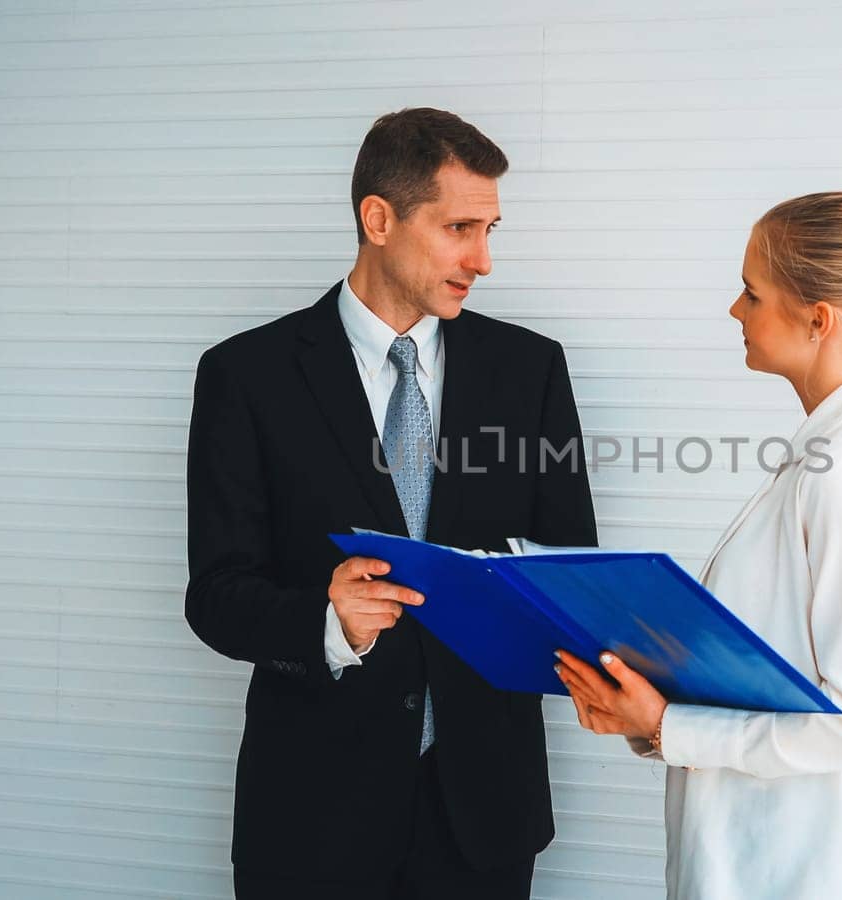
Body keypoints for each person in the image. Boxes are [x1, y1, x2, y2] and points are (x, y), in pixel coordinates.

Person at [186, 107, 597, 899]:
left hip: (484, 817)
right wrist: (326, 622)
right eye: (459, 228)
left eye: (491, 230)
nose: (482, 259)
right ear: (379, 218)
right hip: (309, 815)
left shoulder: (531, 370)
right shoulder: (246, 376)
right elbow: (216, 594)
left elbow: (570, 573)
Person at [555, 193, 842, 898]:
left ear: (818, 320)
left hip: (811, 868)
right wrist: (655, 714)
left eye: (753, 293)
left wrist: (670, 727)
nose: (735, 310)